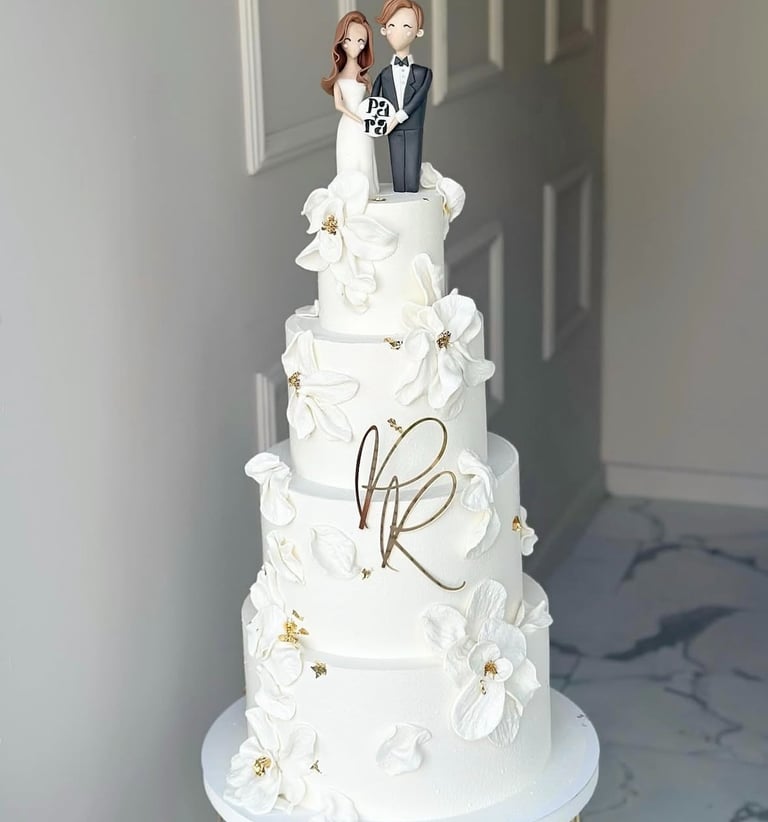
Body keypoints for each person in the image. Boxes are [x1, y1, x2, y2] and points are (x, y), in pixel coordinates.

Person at [371, 0, 432, 193]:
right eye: (392, 25)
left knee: (411, 177)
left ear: (418, 32)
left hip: (412, 126)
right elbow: (374, 100)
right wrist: (374, 122)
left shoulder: (424, 73)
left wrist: (399, 116)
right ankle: (401, 190)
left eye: (406, 26)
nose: (397, 31)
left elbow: (418, 98)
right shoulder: (384, 74)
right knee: (398, 171)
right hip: (391, 129)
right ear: (384, 30)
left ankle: (411, 190)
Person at [322, 11, 379, 195]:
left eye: (361, 41)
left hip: (364, 125)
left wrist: (372, 116)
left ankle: (368, 192)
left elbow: (375, 98)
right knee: (349, 157)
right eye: (349, 40)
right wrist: (356, 118)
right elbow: (338, 105)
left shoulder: (365, 76)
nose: (355, 45)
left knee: (364, 156)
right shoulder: (338, 78)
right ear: (341, 42)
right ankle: (350, 194)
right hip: (349, 125)